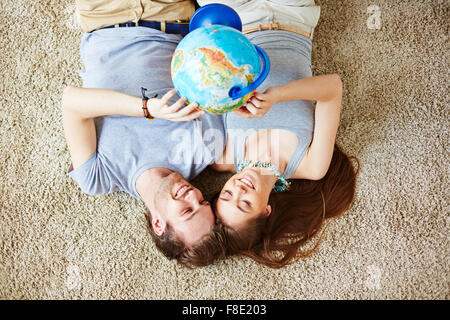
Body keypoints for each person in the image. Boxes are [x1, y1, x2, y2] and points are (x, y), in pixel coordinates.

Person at [63, 0, 227, 267]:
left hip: (104, 16)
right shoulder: (204, 148)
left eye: (186, 210)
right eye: (202, 202)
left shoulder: (98, 177)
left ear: (159, 224)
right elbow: (214, 67)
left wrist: (147, 108)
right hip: (169, 16)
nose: (192, 194)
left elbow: (71, 102)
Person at [198, 0, 361, 268]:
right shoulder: (311, 166)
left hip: (238, 24)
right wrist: (278, 96)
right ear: (266, 211)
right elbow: (333, 88)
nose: (238, 189)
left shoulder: (222, 156)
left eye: (227, 195)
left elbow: (206, 90)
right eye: (245, 204)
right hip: (294, 17)